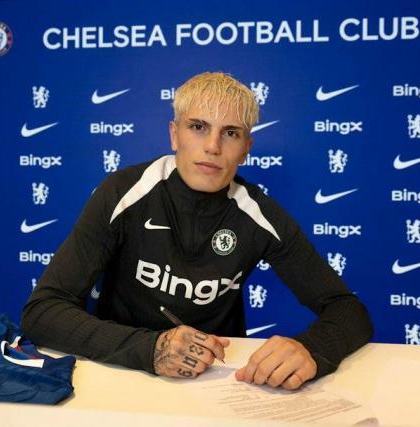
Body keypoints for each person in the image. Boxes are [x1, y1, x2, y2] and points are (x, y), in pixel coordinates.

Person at [22, 71, 373, 390]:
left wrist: (312, 349)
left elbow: (348, 310)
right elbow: (42, 312)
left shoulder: (258, 213)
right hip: (119, 375)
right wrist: (151, 348)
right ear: (174, 134)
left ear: (246, 149)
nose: (212, 147)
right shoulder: (123, 192)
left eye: (231, 133)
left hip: (215, 384)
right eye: (198, 127)